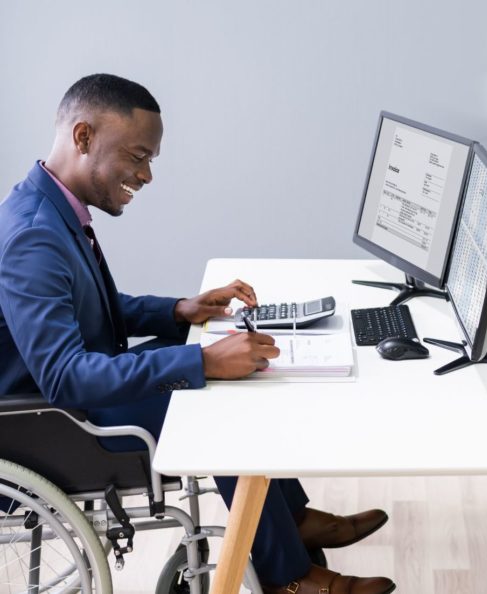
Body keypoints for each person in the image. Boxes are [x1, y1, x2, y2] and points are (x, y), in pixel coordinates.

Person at [0, 73, 395, 594]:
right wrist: (203, 364)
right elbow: (65, 376)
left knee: (217, 357)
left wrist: (179, 311)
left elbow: (84, 310)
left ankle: (288, 521)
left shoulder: (51, 209)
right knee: (211, 390)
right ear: (83, 137)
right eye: (138, 157)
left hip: (73, 401)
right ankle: (287, 580)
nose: (146, 175)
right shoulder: (34, 235)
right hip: (55, 423)